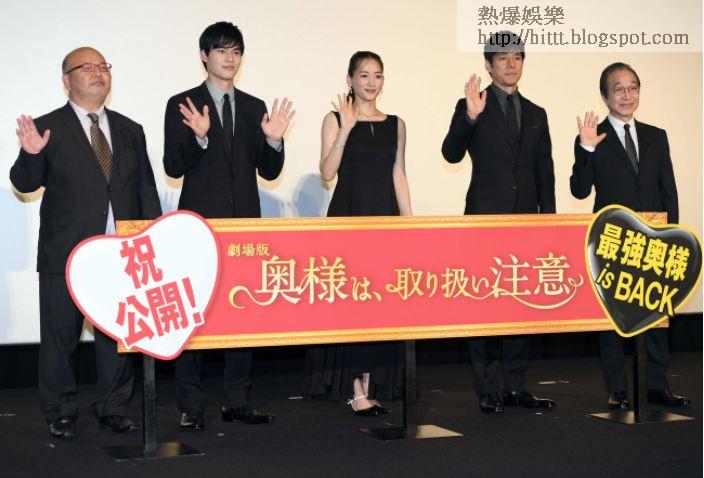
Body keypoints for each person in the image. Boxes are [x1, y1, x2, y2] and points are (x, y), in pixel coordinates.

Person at [10, 47, 162, 438]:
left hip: (121, 252)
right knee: (60, 337)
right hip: (66, 252)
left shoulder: (130, 129)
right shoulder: (47, 127)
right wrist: (31, 154)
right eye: (87, 67)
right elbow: (25, 182)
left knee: (117, 333)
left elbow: (145, 188)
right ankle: (60, 410)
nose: (98, 73)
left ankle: (113, 406)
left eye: (103, 67)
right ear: (66, 80)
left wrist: (153, 239)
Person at [163, 21, 294, 430]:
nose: (230, 58)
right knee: (193, 315)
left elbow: (268, 171)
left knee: (242, 312)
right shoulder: (182, 103)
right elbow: (172, 166)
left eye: (235, 51)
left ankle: (238, 399)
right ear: (204, 56)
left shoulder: (255, 107)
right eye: (221, 50)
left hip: (244, 228)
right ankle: (191, 404)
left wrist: (273, 141)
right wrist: (199, 139)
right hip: (198, 227)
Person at [441, 31, 556, 414]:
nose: (511, 63)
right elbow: (451, 153)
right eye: (502, 57)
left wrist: (549, 224)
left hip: (526, 224)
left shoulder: (537, 113)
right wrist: (470, 117)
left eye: (517, 57)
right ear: (488, 65)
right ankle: (487, 388)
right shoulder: (473, 104)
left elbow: (545, 173)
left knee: (521, 306)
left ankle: (517, 386)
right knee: (485, 305)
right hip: (484, 222)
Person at [570, 62, 690, 410]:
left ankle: (656, 385)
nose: (627, 95)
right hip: (612, 241)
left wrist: (670, 235)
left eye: (633, 87)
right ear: (604, 95)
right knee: (613, 317)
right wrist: (586, 149)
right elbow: (579, 190)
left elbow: (668, 190)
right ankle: (618, 389)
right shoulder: (593, 136)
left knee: (656, 313)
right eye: (618, 88)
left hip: (655, 240)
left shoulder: (656, 136)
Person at [303, 51, 412, 416]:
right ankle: (354, 390)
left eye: (377, 75)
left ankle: (368, 384)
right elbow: (327, 172)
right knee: (352, 305)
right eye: (364, 75)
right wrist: (346, 131)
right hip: (348, 220)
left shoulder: (396, 124)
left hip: (384, 221)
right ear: (349, 79)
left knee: (378, 305)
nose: (371, 82)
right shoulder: (335, 119)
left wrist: (410, 225)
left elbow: (398, 174)